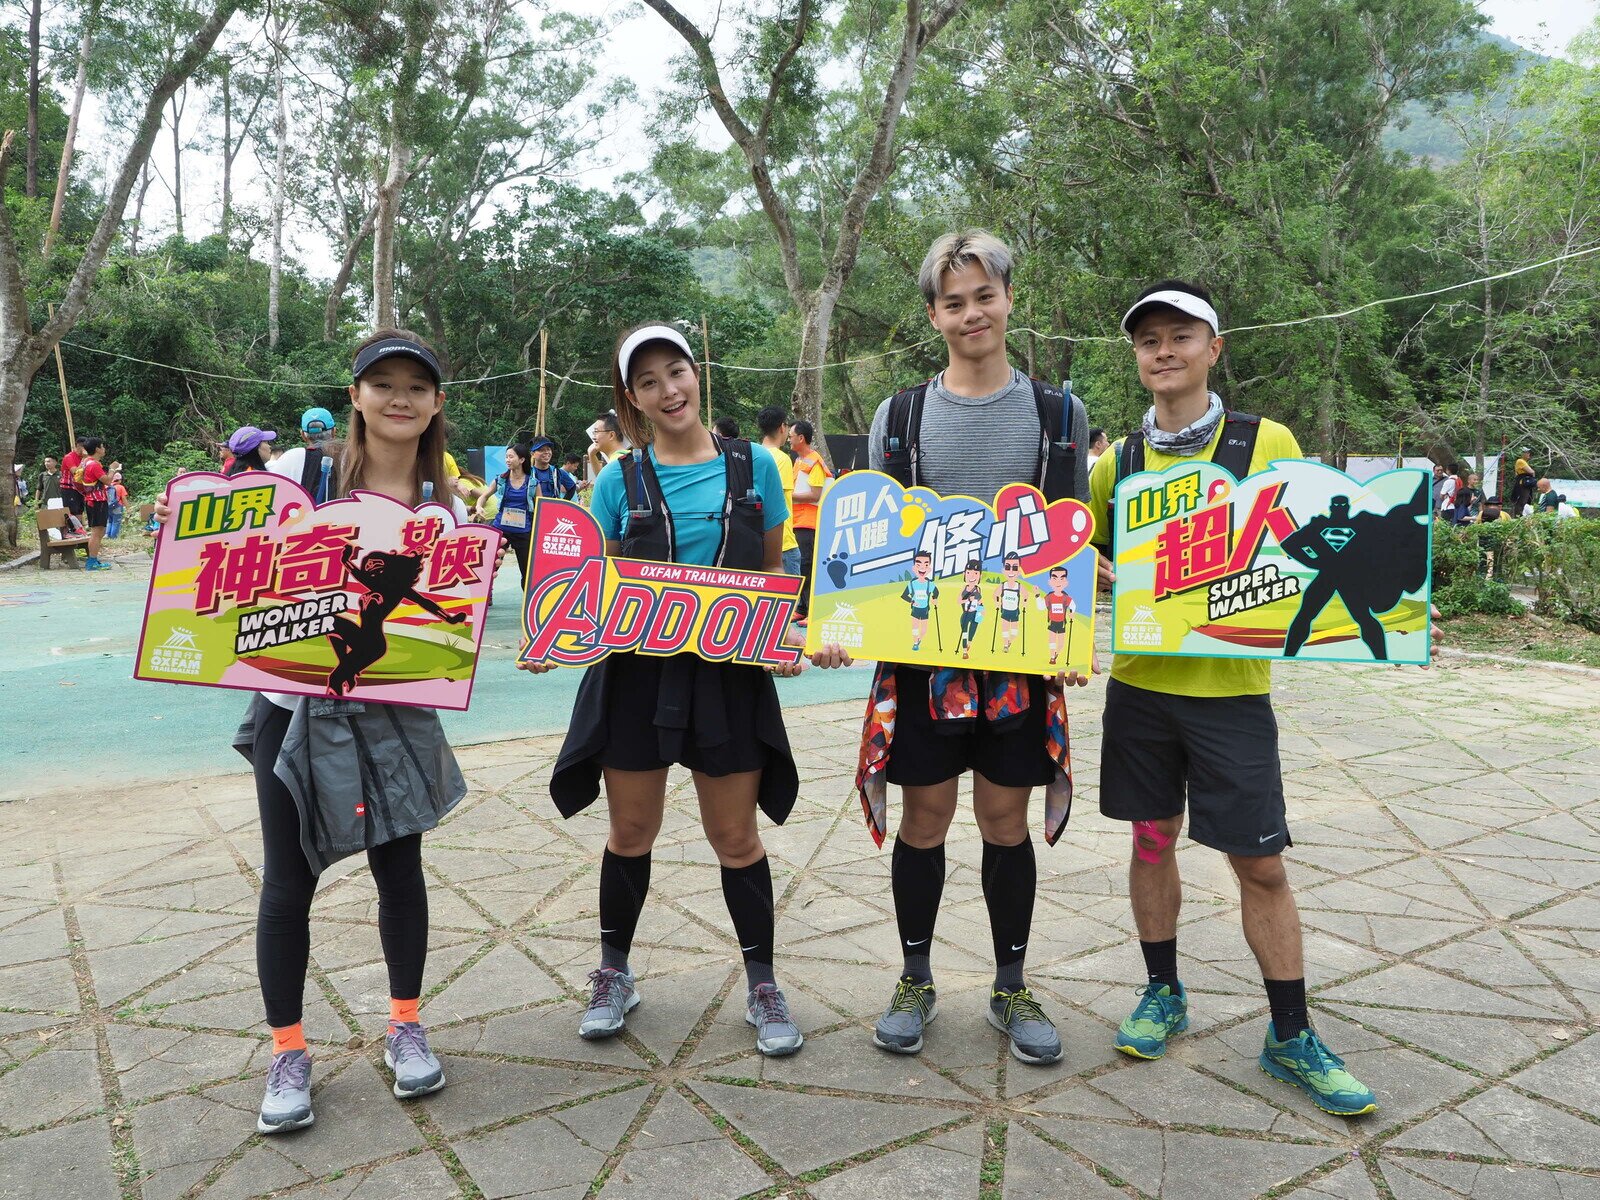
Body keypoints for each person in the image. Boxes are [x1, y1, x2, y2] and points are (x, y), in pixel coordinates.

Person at [158, 328, 470, 1134]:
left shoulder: (448, 505)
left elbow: (447, 617)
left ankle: (406, 1025)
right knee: (287, 876)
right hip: (290, 707)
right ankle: (288, 1052)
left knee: (400, 867)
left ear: (436, 403)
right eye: (382, 383)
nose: (398, 397)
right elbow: (222, 548)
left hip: (398, 711)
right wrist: (184, 520)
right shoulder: (302, 471)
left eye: (415, 386)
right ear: (356, 395)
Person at [1088, 279, 1377, 1117]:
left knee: (1260, 863)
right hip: (1141, 691)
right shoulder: (1118, 465)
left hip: (1232, 695)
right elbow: (1088, 561)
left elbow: (1311, 538)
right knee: (1150, 842)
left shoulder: (1265, 440)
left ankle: (1291, 1034)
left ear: (1215, 349)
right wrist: (1098, 579)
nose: (1164, 351)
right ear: (1138, 359)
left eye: (1181, 336)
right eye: (1149, 341)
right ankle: (1163, 991)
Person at [527, 321, 808, 1058]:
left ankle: (763, 984)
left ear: (696, 373)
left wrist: (783, 638)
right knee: (631, 833)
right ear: (632, 400)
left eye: (675, 371)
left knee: (736, 837)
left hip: (729, 679)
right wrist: (553, 634)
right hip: (636, 679)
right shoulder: (619, 479)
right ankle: (614, 972)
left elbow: (774, 573)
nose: (667, 389)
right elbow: (592, 586)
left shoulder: (759, 468)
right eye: (647, 381)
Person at [859, 230, 1091, 1068]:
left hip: (1021, 659)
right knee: (925, 820)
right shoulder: (902, 415)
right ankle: (916, 978)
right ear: (934, 316)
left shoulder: (1061, 416)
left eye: (983, 295)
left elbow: (1070, 542)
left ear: (1008, 300)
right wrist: (847, 625)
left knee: (1004, 820)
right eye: (953, 302)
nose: (971, 313)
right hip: (923, 655)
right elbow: (875, 544)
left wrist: (1074, 636)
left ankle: (1010, 984)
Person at [788, 420, 832, 624]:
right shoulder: (799, 461)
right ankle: (803, 608)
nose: (788, 439)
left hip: (809, 522)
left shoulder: (814, 461)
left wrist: (788, 495)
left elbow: (815, 495)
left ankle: (814, 611)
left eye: (791, 435)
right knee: (801, 565)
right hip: (798, 521)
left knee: (807, 566)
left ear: (801, 438)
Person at [756, 405, 803, 578]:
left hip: (760, 543)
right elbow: (779, 501)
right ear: (782, 427)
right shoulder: (782, 459)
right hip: (783, 543)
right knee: (790, 603)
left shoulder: (754, 455)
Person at [490, 442, 536, 588]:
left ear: (522, 460)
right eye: (506, 457)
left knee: (527, 570)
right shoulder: (501, 480)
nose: (507, 460)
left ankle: (529, 602)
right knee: (491, 565)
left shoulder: (533, 483)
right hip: (501, 530)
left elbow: (542, 507)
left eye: (511, 457)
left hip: (524, 532)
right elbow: (484, 496)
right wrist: (478, 506)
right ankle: (485, 596)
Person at [77, 438, 114, 570]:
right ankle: (91, 561)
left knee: (99, 530)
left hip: (91, 499)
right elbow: (108, 481)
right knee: (97, 532)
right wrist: (112, 469)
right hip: (97, 500)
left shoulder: (86, 462)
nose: (104, 449)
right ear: (97, 449)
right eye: (102, 446)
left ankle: (93, 559)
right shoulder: (94, 465)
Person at [528, 436, 579, 500]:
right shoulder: (528, 473)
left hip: (552, 509)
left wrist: (562, 504)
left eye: (548, 449)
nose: (546, 452)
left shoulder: (557, 472)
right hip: (533, 509)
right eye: (542, 450)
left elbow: (572, 487)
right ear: (532, 454)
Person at [587, 411, 626, 477]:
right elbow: (603, 478)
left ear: (611, 435)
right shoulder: (625, 458)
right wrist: (591, 455)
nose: (593, 437)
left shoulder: (616, 464)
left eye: (596, 431)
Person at [60, 436, 87, 525]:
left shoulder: (83, 457)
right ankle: (71, 530)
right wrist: (84, 459)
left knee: (79, 510)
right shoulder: (69, 457)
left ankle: (78, 529)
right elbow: (75, 471)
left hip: (79, 488)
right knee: (72, 510)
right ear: (79, 446)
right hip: (69, 488)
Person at [1509, 451, 1536, 515]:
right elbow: (1531, 472)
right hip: (1523, 483)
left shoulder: (1524, 462)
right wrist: (1533, 473)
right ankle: (1518, 515)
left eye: (1529, 452)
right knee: (1522, 500)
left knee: (1526, 499)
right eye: (1527, 452)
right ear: (1522, 454)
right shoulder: (1520, 461)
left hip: (1525, 483)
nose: (1529, 454)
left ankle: (1523, 514)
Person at [105, 472, 127, 539]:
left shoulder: (106, 487)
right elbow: (123, 498)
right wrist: (127, 507)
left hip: (108, 506)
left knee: (110, 521)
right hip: (117, 506)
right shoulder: (120, 487)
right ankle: (113, 537)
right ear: (119, 480)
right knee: (116, 522)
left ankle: (107, 535)